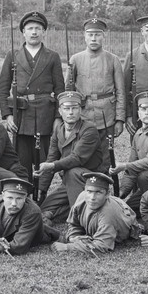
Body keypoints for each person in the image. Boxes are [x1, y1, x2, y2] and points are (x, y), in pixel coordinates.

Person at [0, 11, 65, 202]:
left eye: (38, 28)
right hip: (21, 114)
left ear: (43, 32)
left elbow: (60, 89)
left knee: (45, 156)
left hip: (45, 113)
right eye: (30, 29)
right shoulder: (13, 55)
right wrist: (7, 115)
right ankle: (23, 193)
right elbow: (2, 87)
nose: (34, 32)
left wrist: (58, 118)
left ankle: (41, 193)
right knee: (21, 158)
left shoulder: (52, 56)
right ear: (23, 32)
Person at [34, 91, 107, 224]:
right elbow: (51, 157)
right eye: (66, 108)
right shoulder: (58, 130)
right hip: (69, 181)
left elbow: (76, 159)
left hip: (90, 180)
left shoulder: (89, 129)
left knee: (72, 171)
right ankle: (63, 212)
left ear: (80, 110)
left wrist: (52, 166)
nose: (71, 112)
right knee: (44, 208)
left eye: (74, 108)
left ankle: (79, 221)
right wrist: (41, 190)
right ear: (60, 111)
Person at [66, 17, 126, 173]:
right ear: (84, 36)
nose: (93, 38)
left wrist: (119, 119)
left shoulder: (113, 60)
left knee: (106, 157)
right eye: (90, 34)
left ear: (104, 36)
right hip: (83, 115)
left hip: (107, 116)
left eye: (98, 34)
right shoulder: (75, 59)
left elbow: (120, 91)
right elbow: (69, 92)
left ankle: (103, 188)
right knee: (82, 154)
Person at [51, 172, 141, 255]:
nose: (92, 197)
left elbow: (101, 246)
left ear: (107, 194)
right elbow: (74, 224)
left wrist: (67, 247)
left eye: (98, 192)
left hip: (122, 224)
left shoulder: (109, 213)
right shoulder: (82, 197)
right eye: (89, 191)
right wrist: (74, 237)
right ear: (85, 191)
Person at [0, 177, 59, 256]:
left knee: (44, 223)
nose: (14, 204)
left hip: (33, 233)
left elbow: (18, 247)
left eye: (19, 198)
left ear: (26, 198)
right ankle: (46, 217)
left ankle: (47, 218)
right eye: (10, 198)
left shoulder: (32, 212)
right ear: (3, 196)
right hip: (10, 234)